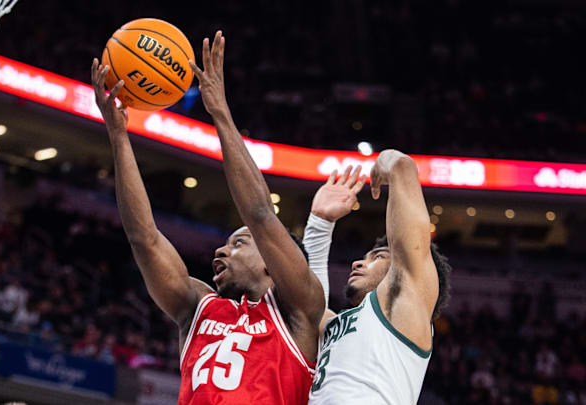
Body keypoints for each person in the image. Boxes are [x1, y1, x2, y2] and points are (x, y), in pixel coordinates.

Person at [90, 30, 324, 404]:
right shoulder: (199, 306)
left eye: (239, 243)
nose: (220, 250)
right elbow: (144, 238)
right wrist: (118, 136)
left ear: (272, 263)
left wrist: (220, 112)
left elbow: (261, 214)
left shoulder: (301, 309)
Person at [303, 150, 452, 405]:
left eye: (378, 257)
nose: (359, 262)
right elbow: (307, 305)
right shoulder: (335, 325)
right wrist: (320, 223)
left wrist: (393, 162)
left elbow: (404, 170)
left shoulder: (404, 310)